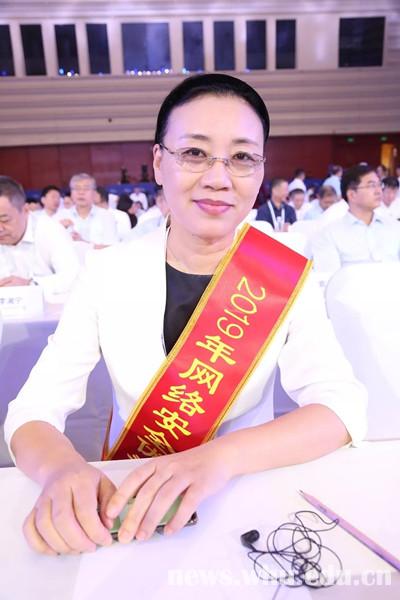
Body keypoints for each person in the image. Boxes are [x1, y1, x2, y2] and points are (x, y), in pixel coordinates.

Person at [5, 74, 366, 556]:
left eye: (242, 157)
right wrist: (61, 469)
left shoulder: (284, 274)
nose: (218, 178)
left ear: (261, 171)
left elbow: (341, 407)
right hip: (131, 506)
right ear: (158, 162)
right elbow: (32, 410)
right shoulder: (108, 271)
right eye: (195, 153)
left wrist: (219, 458)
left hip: (242, 504)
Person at [311, 164, 400, 275]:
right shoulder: (329, 234)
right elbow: (328, 280)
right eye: (371, 186)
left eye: (379, 185)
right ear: (352, 195)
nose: (378, 191)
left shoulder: (395, 227)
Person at [0, 176, 80, 296]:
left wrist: (30, 285)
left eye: (4, 220)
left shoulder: (50, 231)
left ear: (25, 210)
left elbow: (73, 277)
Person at [57, 174, 118, 247]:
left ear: (94, 193)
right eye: (77, 189)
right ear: (71, 193)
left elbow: (111, 247)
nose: (81, 192)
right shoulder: (60, 216)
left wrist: (83, 243)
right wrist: (60, 230)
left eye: (86, 189)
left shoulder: (106, 216)